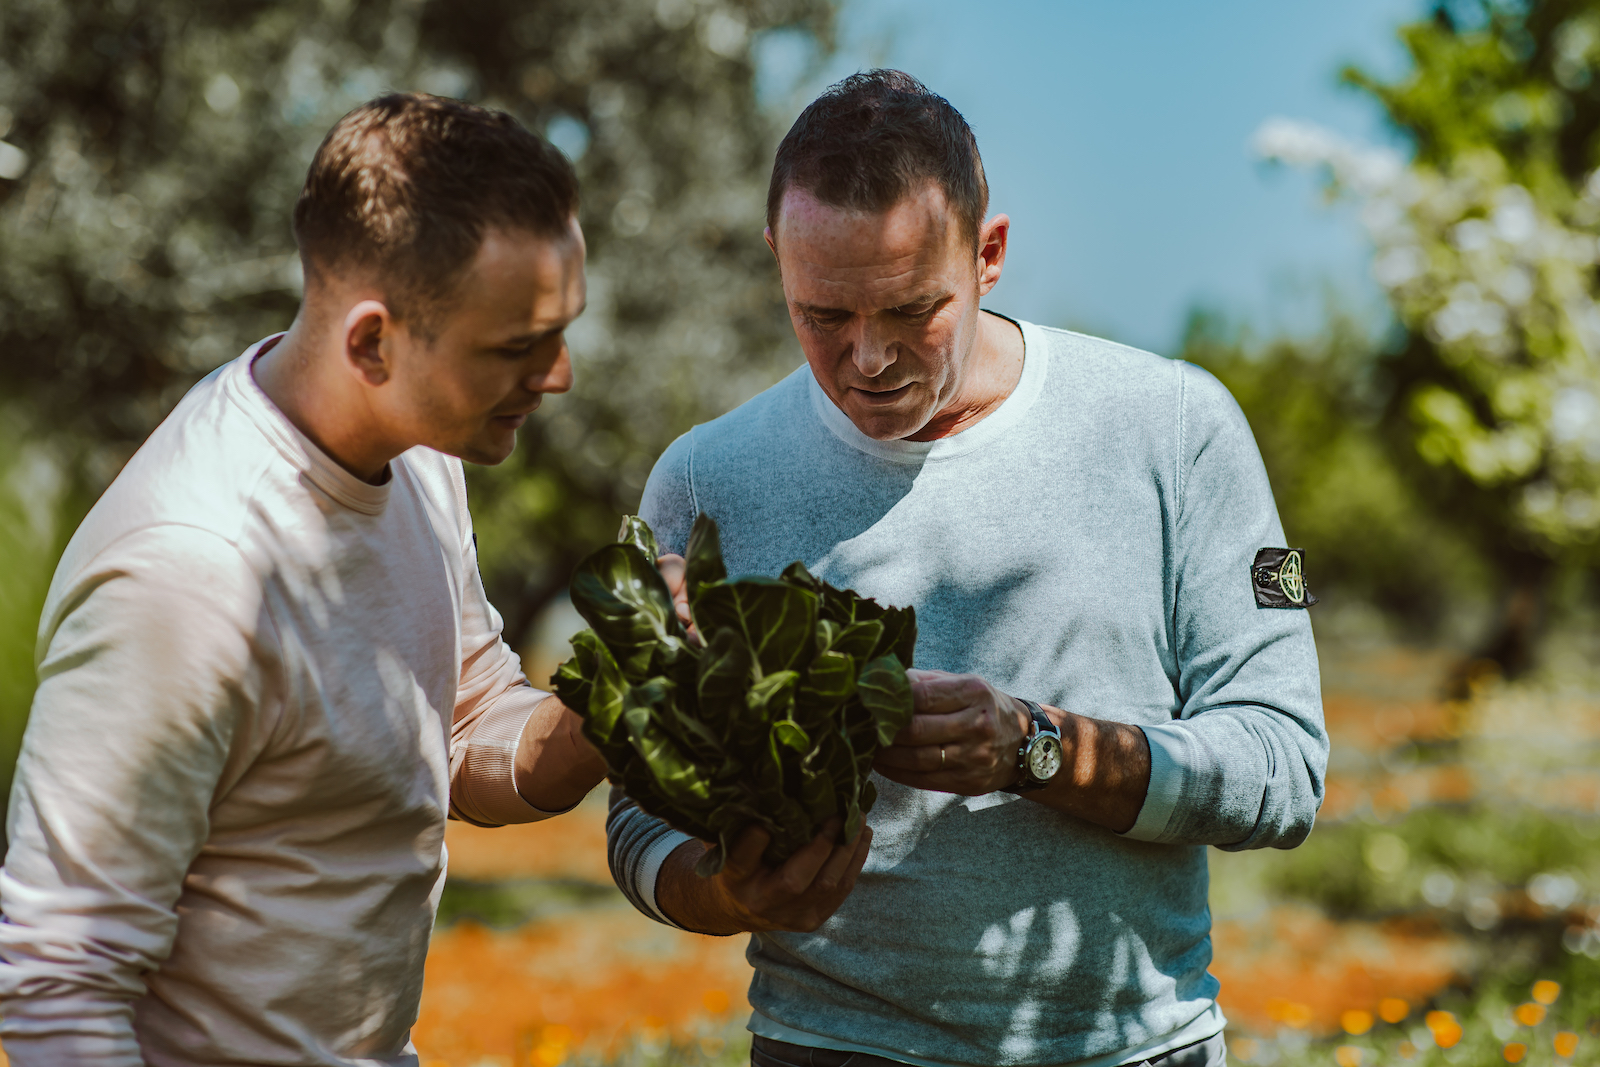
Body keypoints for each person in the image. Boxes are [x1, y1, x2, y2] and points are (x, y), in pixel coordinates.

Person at [608, 70, 1327, 1067]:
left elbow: (1284, 768)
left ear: (988, 254)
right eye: (822, 315)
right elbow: (637, 816)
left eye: (911, 310)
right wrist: (720, 891)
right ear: (777, 257)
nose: (867, 357)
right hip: (827, 1045)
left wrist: (1036, 747)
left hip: (1130, 1048)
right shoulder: (706, 479)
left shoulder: (1174, 426)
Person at [0, 93, 607, 1066]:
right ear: (372, 341)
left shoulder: (419, 453)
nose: (561, 373)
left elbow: (462, 724)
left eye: (560, 330)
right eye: (518, 346)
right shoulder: (189, 575)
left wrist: (618, 700)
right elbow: (56, 988)